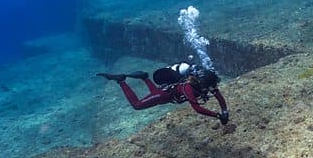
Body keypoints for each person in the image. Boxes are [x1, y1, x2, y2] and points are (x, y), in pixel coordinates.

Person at [97, 62, 230, 125]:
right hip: (165, 94)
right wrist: (218, 115)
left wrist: (224, 112)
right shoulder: (188, 87)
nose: (209, 89)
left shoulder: (207, 84)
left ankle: (144, 77)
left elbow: (219, 97)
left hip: (166, 94)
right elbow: (197, 108)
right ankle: (121, 81)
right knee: (137, 105)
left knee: (156, 94)